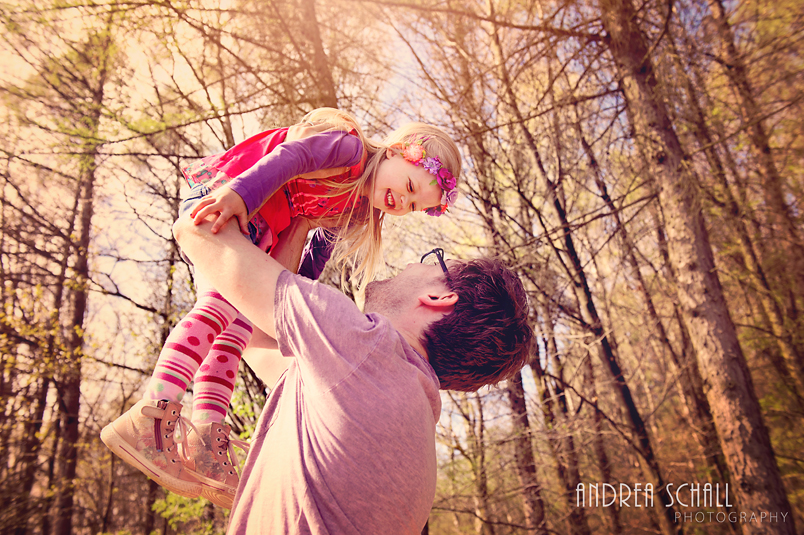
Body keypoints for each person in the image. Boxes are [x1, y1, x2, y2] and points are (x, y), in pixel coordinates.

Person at [100, 108, 461, 508]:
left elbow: (315, 258)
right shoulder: (350, 150)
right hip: (228, 196)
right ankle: (151, 413)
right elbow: (291, 157)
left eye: (414, 205)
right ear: (393, 152)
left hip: (261, 228)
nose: (403, 201)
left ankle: (206, 444)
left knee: (236, 332)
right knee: (218, 308)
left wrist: (290, 306)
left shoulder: (356, 211)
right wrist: (241, 195)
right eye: (409, 185)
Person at [171, 202, 533, 534]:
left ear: (439, 298)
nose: (413, 264)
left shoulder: (367, 350)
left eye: (434, 261)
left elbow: (196, 231)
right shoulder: (401, 417)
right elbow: (251, 334)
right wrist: (302, 225)